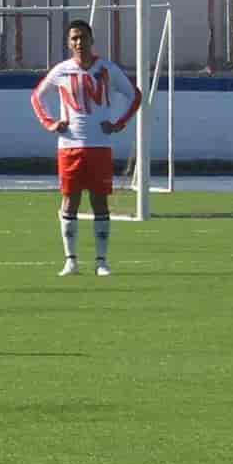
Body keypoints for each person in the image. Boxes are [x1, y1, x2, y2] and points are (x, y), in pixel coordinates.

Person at [30, 18, 144, 278]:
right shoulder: (62, 70)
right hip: (69, 147)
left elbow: (135, 95)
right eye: (74, 38)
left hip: (100, 146)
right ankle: (71, 261)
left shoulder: (107, 69)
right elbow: (37, 97)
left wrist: (118, 124)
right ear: (69, 43)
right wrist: (51, 123)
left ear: (92, 40)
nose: (79, 42)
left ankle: (102, 261)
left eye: (83, 37)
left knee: (100, 202)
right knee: (70, 201)